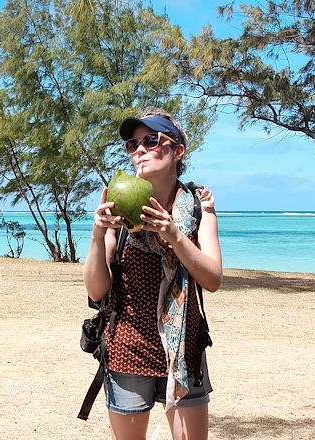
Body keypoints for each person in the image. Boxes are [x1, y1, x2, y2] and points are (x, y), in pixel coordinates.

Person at [83, 109, 222, 440]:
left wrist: (174, 235)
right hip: (128, 347)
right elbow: (97, 290)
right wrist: (97, 235)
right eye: (132, 144)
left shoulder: (200, 206)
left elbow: (213, 279)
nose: (139, 150)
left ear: (177, 150)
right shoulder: (118, 205)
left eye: (151, 140)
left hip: (184, 349)